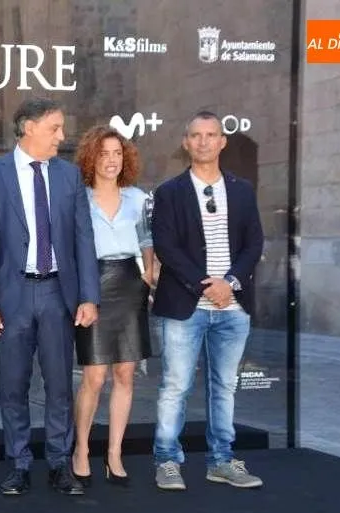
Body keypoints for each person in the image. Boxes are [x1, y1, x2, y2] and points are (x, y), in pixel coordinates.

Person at [0, 97, 99, 496]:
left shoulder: (69, 176)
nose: (61, 136)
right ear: (28, 127)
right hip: (11, 296)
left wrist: (88, 295)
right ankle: (19, 464)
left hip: (57, 293)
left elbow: (83, 237)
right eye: (54, 128)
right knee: (13, 385)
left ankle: (59, 464)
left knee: (59, 384)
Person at [151, 111, 264, 491]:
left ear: (222, 142)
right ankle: (167, 461)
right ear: (186, 142)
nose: (203, 141)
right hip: (186, 306)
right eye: (195, 135)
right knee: (175, 386)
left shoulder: (243, 190)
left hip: (233, 309)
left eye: (210, 135)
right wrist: (207, 287)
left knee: (224, 387)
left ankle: (222, 461)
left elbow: (254, 243)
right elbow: (167, 247)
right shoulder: (168, 193)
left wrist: (229, 283)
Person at [70, 125, 154, 487]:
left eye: (116, 153)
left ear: (126, 158)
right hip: (93, 284)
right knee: (94, 375)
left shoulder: (138, 198)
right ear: (92, 158)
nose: (111, 160)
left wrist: (151, 269)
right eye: (103, 153)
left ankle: (115, 454)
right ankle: (82, 450)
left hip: (129, 284)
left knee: (124, 374)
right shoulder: (79, 198)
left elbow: (147, 237)